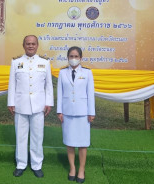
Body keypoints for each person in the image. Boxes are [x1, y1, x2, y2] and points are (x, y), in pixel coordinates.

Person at [7, 35, 54, 178]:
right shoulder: (16, 62)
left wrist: (49, 103)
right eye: (28, 44)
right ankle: (21, 164)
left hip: (38, 106)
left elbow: (48, 85)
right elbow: (12, 84)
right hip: (21, 105)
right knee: (20, 136)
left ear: (37, 45)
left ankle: (36, 164)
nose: (31, 46)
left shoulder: (45, 62)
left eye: (33, 44)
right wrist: (11, 102)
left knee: (37, 136)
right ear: (23, 45)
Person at [57, 46, 95, 183]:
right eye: (71, 56)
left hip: (83, 113)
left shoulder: (87, 73)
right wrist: (59, 111)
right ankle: (72, 167)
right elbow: (60, 93)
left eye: (76, 56)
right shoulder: (62, 73)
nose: (73, 59)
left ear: (81, 58)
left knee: (83, 143)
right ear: (67, 58)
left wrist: (91, 112)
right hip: (67, 112)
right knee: (70, 142)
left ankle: (81, 169)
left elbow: (90, 94)